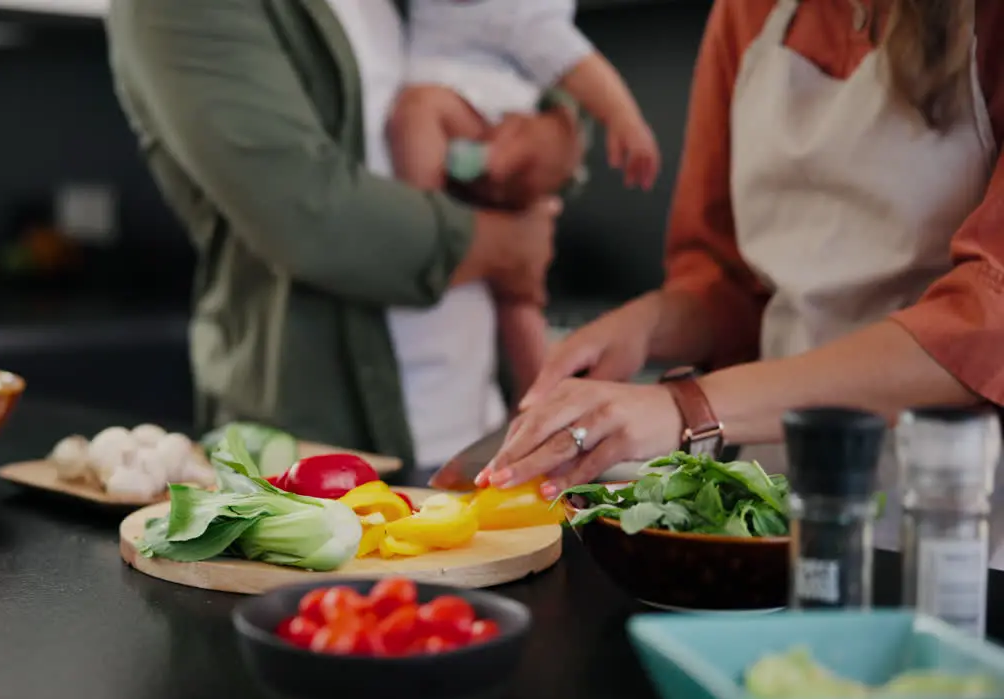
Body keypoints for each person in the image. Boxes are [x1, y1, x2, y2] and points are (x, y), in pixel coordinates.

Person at [473, 0, 1004, 500]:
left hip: (954, 507)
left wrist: (690, 407)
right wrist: (649, 323)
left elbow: (983, 327)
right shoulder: (746, 11)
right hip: (776, 486)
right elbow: (729, 280)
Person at [105, 0, 588, 477]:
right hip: (316, 454)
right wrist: (513, 247)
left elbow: (518, 61)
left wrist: (559, 135)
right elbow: (306, 214)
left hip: (481, 430)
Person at [387, 0, 661, 398]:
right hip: (476, 129)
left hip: (484, 120)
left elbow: (576, 61)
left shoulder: (511, 12)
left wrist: (624, 119)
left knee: (416, 112)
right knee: (519, 301)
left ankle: (426, 219)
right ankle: (540, 401)